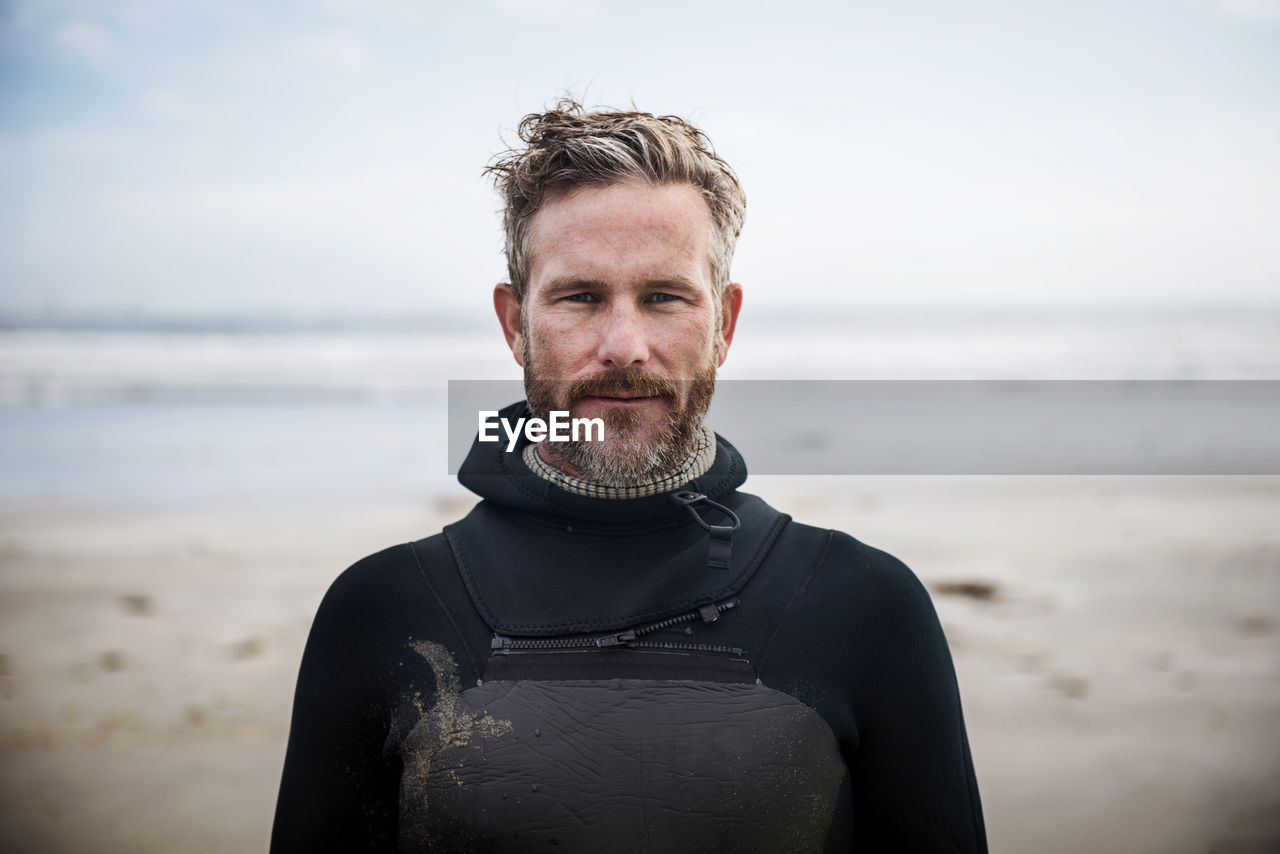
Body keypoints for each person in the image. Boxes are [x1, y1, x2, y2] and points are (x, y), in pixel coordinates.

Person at [271, 99, 987, 853]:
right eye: (581, 297)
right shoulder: (381, 610)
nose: (624, 346)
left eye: (664, 297)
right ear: (515, 322)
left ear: (724, 325)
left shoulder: (867, 606)